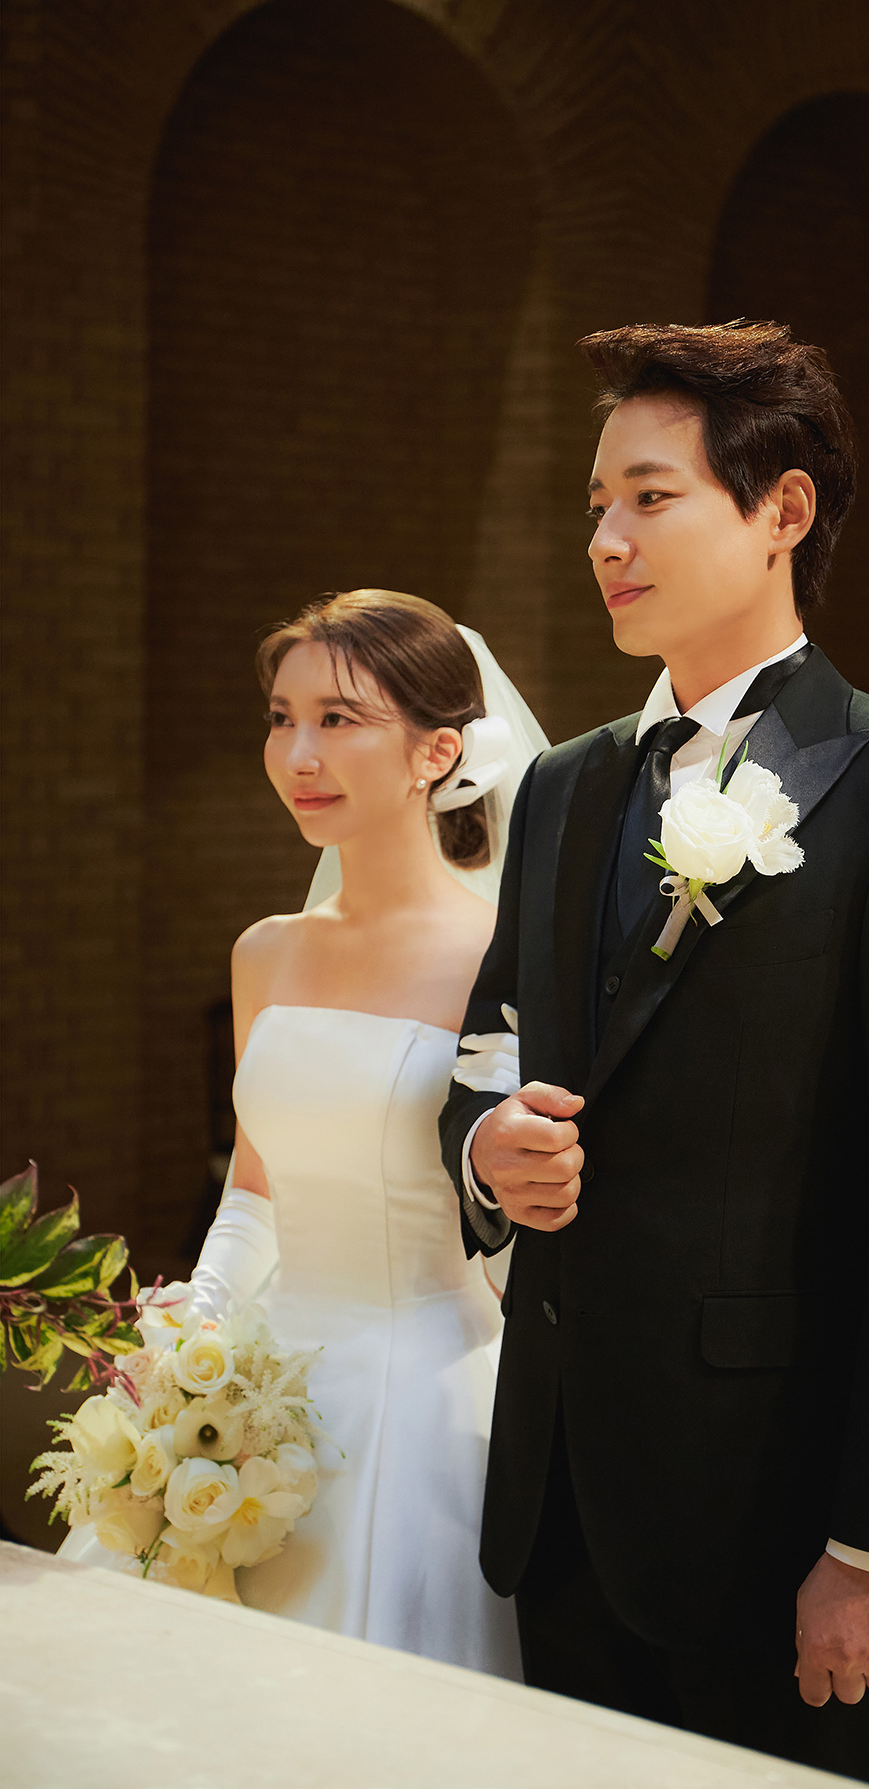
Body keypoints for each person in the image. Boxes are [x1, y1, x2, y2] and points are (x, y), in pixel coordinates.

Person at [438, 319, 869, 1788]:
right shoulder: (566, 786)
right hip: (560, 1496)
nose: (606, 539)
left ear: (781, 510)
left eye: (650, 498)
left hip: (779, 1516)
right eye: (596, 504)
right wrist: (483, 1151)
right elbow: (487, 1046)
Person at [61, 589, 547, 1678]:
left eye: (338, 719)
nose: (298, 755)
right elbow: (254, 1188)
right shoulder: (265, 952)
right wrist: (193, 1337)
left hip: (428, 1396)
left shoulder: (502, 960)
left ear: (436, 752)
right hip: (261, 1384)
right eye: (282, 719)